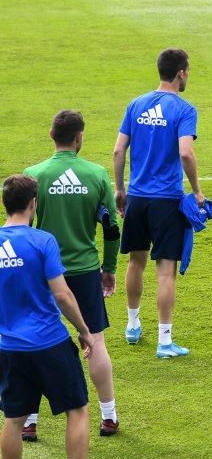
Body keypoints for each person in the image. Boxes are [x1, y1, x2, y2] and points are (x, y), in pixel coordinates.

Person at [23, 110, 121, 439]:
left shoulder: (34, 175)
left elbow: (24, 228)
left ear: (52, 134)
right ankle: (109, 416)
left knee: (33, 340)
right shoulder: (95, 174)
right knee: (95, 341)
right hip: (83, 271)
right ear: (79, 137)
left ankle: (28, 420)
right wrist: (108, 268)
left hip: (42, 272)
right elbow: (111, 227)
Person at [112, 48, 205, 358]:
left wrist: (120, 189)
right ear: (180, 73)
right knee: (165, 272)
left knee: (135, 262)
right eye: (187, 71)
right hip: (166, 200)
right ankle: (165, 342)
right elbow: (186, 152)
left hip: (137, 197)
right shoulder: (184, 109)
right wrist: (198, 191)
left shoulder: (135, 104)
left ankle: (132, 325)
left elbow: (118, 151)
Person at [0, 174, 94, 459]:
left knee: (13, 419)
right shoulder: (43, 241)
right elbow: (62, 295)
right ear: (33, 204)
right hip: (48, 343)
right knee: (77, 410)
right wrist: (84, 329)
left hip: (9, 348)